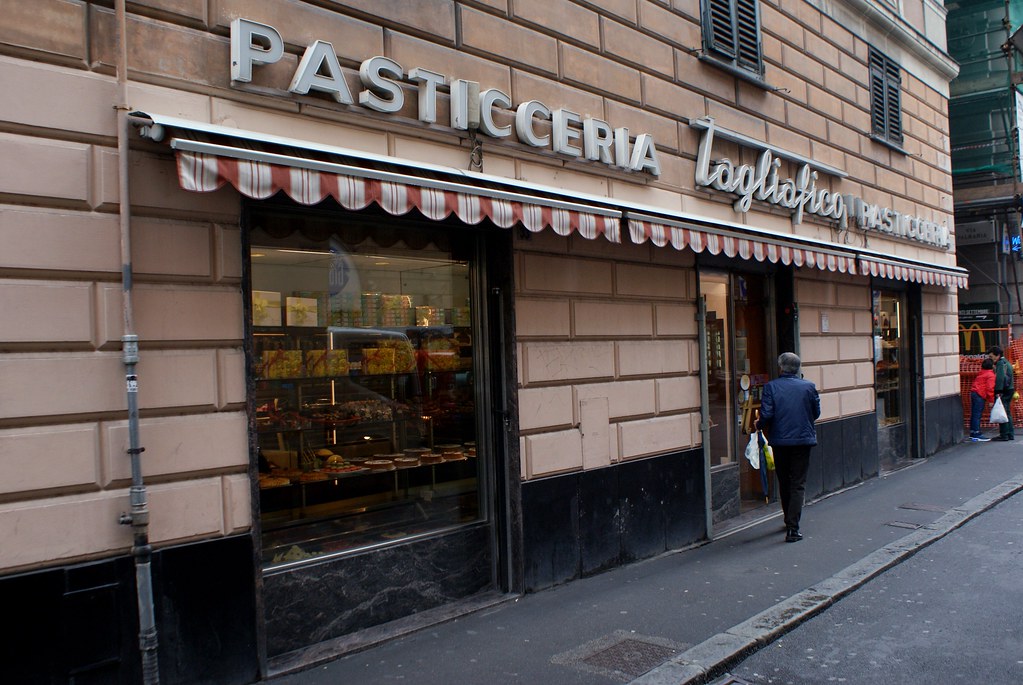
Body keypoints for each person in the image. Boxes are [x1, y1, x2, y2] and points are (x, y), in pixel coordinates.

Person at [757, 352, 821, 543]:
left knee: (784, 481)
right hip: (802, 440)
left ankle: (789, 520)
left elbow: (766, 414)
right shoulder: (809, 387)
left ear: (780, 367)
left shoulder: (771, 387)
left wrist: (759, 425)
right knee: (798, 483)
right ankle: (793, 527)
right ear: (797, 368)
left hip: (780, 441)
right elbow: (816, 412)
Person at [988, 346, 1015, 441]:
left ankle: (1004, 434)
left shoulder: (1000, 364)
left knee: (1002, 412)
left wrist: (998, 391)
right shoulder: (1006, 362)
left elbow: (1000, 378)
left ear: (997, 355)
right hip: (1010, 389)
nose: (990, 359)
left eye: (991, 357)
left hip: (1003, 390)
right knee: (1007, 412)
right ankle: (1010, 433)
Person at [968, 358, 994, 442]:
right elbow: (990, 388)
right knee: (977, 414)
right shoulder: (991, 375)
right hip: (980, 394)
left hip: (974, 392)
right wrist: (991, 400)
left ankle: (973, 432)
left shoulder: (981, 373)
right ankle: (977, 433)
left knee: (974, 414)